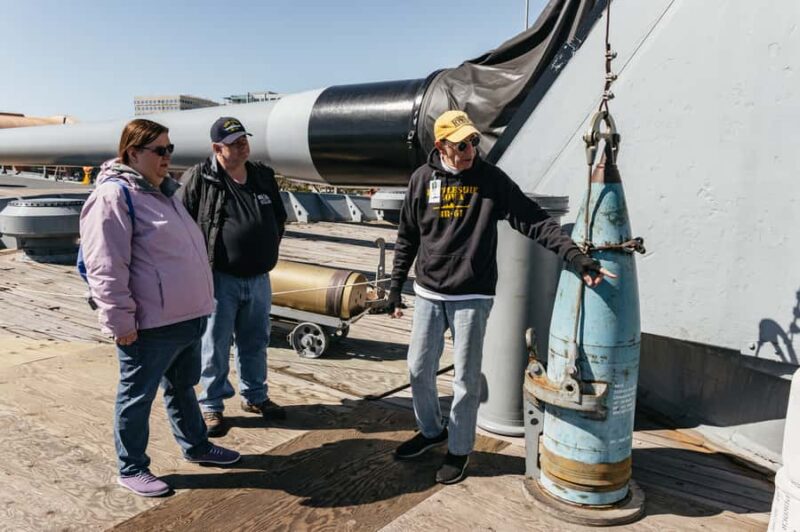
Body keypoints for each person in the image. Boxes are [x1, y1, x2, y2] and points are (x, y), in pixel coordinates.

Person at [387, 110, 615, 485]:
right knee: (417, 368)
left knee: (465, 378)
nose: (469, 150)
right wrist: (395, 288)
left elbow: (534, 219)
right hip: (428, 291)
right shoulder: (422, 180)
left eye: (473, 142)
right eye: (461, 144)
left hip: (471, 293)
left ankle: (459, 449)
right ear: (441, 145)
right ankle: (431, 431)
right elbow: (408, 236)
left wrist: (574, 256)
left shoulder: (490, 180)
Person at [79, 119, 241, 498]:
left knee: (183, 388)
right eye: (160, 150)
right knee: (136, 397)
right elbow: (105, 267)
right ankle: (131, 467)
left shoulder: (162, 193)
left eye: (170, 149)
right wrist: (120, 322)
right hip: (148, 325)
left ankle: (196, 445)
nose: (168, 157)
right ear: (133, 153)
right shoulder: (114, 197)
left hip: (186, 318)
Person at [180, 117, 288, 437]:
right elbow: (181, 223)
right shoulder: (201, 177)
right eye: (234, 142)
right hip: (219, 278)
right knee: (214, 343)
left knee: (255, 341)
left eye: (244, 139)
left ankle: (255, 396)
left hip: (258, 278)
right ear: (217, 148)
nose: (242, 145)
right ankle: (211, 405)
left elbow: (278, 219)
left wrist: (263, 248)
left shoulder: (262, 176)